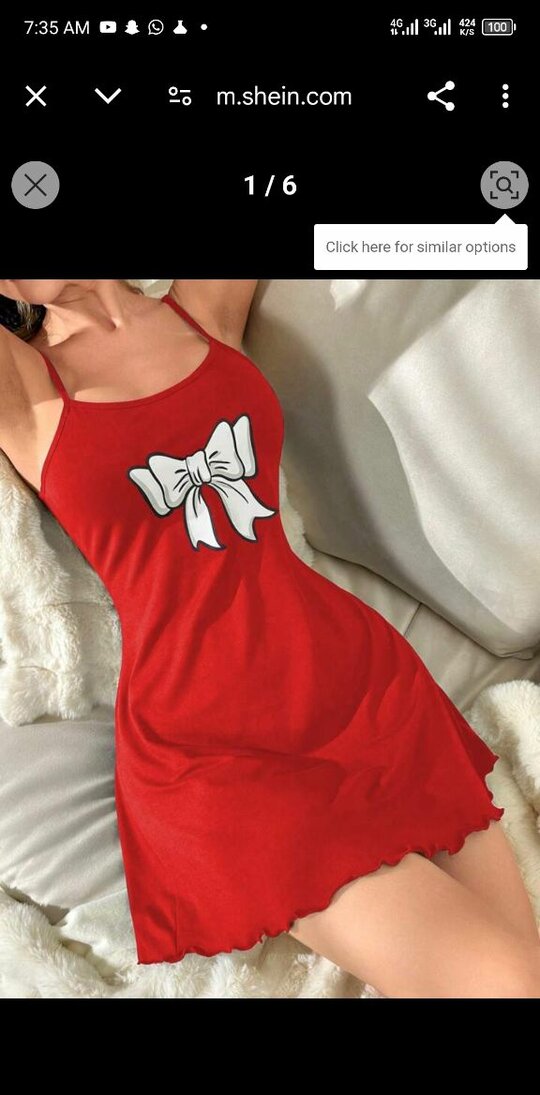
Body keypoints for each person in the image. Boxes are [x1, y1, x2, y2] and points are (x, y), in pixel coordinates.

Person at [0, 278, 538, 998]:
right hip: (213, 755)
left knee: (520, 964)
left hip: (361, 686)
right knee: (505, 981)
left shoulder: (201, 309)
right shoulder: (25, 385)